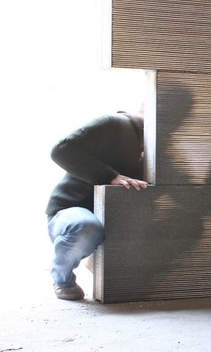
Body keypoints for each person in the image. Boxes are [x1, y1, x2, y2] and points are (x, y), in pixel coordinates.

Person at [46, 111, 147, 300]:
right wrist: (109, 176)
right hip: (69, 215)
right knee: (86, 227)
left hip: (108, 222)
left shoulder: (155, 151)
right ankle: (63, 279)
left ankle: (94, 257)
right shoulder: (115, 124)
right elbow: (61, 149)